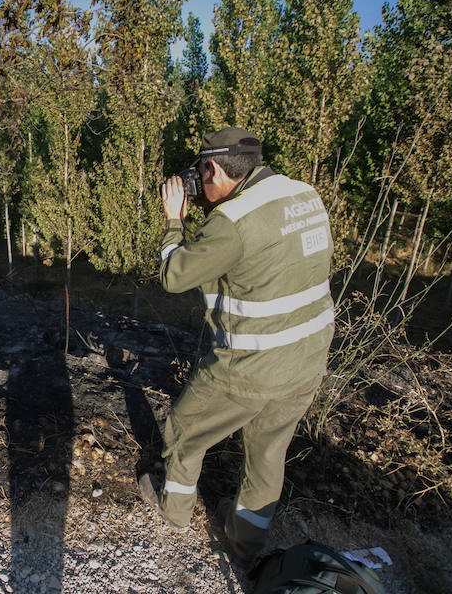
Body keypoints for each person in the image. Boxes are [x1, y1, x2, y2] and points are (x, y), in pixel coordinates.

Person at [139, 127, 335, 565]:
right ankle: (246, 542)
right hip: (307, 360)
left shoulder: (232, 222)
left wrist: (175, 220)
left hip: (250, 365)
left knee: (184, 430)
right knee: (267, 453)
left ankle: (175, 512)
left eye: (200, 172)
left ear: (213, 168)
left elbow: (174, 276)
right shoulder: (305, 194)